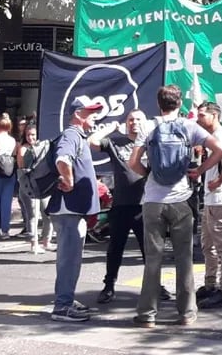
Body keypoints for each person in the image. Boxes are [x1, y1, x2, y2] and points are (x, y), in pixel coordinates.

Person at [127, 85, 222, 328]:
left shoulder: (149, 126)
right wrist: (199, 170)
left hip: (153, 200)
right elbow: (221, 150)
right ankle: (186, 312)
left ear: (159, 104)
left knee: (153, 259)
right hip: (181, 199)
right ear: (179, 104)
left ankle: (147, 314)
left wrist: (148, 174)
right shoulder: (189, 126)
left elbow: (132, 162)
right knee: (184, 258)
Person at [88, 110, 170, 303]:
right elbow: (92, 141)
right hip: (121, 204)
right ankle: (109, 286)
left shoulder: (152, 142)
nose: (134, 123)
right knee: (115, 248)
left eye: (138, 119)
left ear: (145, 122)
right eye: (131, 120)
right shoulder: (116, 142)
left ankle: (156, 285)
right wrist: (109, 128)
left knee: (149, 249)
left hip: (146, 204)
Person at [48, 98, 103, 322]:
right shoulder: (72, 135)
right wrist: (69, 181)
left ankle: (66, 300)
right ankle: (62, 306)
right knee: (69, 259)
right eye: (91, 112)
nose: (95, 116)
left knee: (71, 258)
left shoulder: (77, 136)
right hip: (68, 208)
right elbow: (63, 159)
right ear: (79, 114)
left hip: (71, 209)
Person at [192, 102, 222, 309]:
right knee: (207, 245)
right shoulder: (211, 137)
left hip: (221, 199)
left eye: (202, 115)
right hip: (211, 199)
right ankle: (210, 285)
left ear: (214, 116)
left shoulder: (221, 135)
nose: (198, 119)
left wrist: (219, 180)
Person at [16, 124, 54, 254]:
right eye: (28, 135)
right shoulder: (23, 149)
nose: (30, 137)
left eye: (33, 134)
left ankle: (46, 241)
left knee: (48, 214)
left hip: (42, 183)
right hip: (28, 185)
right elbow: (22, 167)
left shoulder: (43, 146)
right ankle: (34, 243)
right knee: (33, 214)